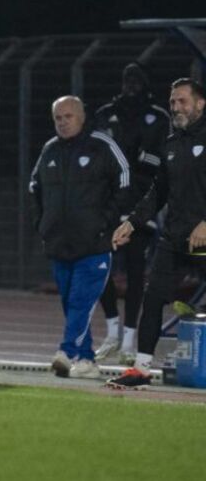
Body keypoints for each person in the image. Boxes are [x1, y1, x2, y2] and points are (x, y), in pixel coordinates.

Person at [108, 78, 206, 389]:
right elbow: (157, 192)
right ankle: (141, 369)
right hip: (175, 238)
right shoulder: (171, 143)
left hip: (205, 238)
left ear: (201, 103)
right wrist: (132, 222)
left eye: (182, 101)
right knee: (152, 299)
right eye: (173, 101)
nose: (175, 107)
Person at [29, 96, 130, 379]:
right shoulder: (49, 150)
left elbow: (125, 181)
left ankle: (66, 351)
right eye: (58, 118)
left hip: (94, 243)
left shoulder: (102, 145)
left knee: (80, 301)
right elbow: (34, 187)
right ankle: (86, 361)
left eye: (68, 116)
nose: (62, 122)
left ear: (82, 116)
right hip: (59, 242)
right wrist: (42, 225)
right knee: (70, 302)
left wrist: (107, 223)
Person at [91, 63, 167, 364]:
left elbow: (158, 158)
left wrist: (134, 159)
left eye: (137, 79)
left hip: (140, 206)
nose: (131, 85)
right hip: (108, 205)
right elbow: (99, 155)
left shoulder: (157, 117)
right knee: (100, 268)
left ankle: (129, 340)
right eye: (127, 79)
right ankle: (111, 331)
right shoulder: (106, 113)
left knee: (136, 272)